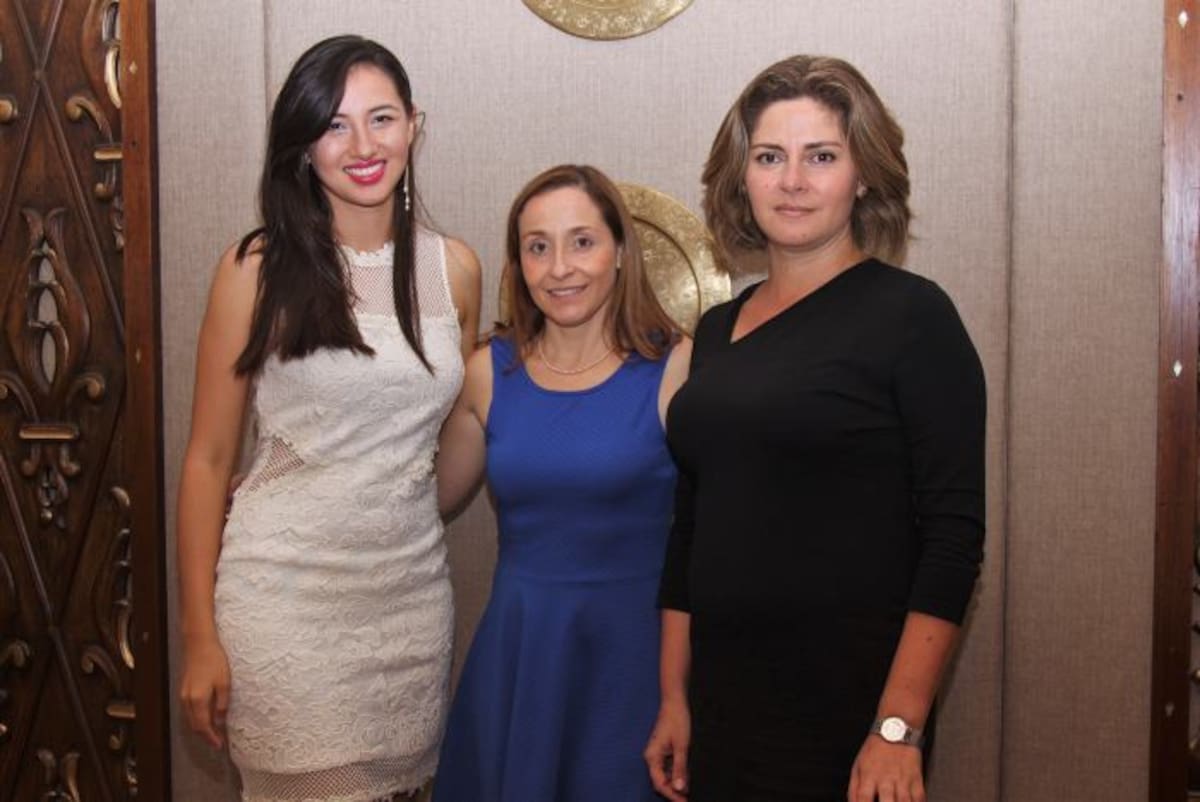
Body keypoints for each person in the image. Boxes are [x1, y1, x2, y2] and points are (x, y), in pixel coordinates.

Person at [644, 55, 986, 802]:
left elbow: (954, 537)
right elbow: (691, 528)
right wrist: (675, 699)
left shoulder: (913, 317)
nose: (791, 180)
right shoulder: (718, 328)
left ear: (863, 175)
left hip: (847, 715)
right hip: (723, 706)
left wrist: (898, 728)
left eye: (820, 157)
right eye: (770, 157)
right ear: (742, 175)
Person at [176, 35, 481, 802]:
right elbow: (209, 460)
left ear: (416, 125)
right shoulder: (255, 268)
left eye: (381, 118)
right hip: (284, 603)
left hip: (409, 603)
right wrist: (200, 637)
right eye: (335, 125)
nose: (363, 145)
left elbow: (436, 448)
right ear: (303, 146)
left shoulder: (456, 271)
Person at [432, 164, 690, 802]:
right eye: (537, 247)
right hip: (522, 657)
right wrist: (310, 479)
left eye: (583, 241)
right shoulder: (489, 373)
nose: (560, 268)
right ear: (517, 265)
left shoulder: (677, 366)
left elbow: (717, 531)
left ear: (621, 252)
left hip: (636, 660)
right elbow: (422, 502)